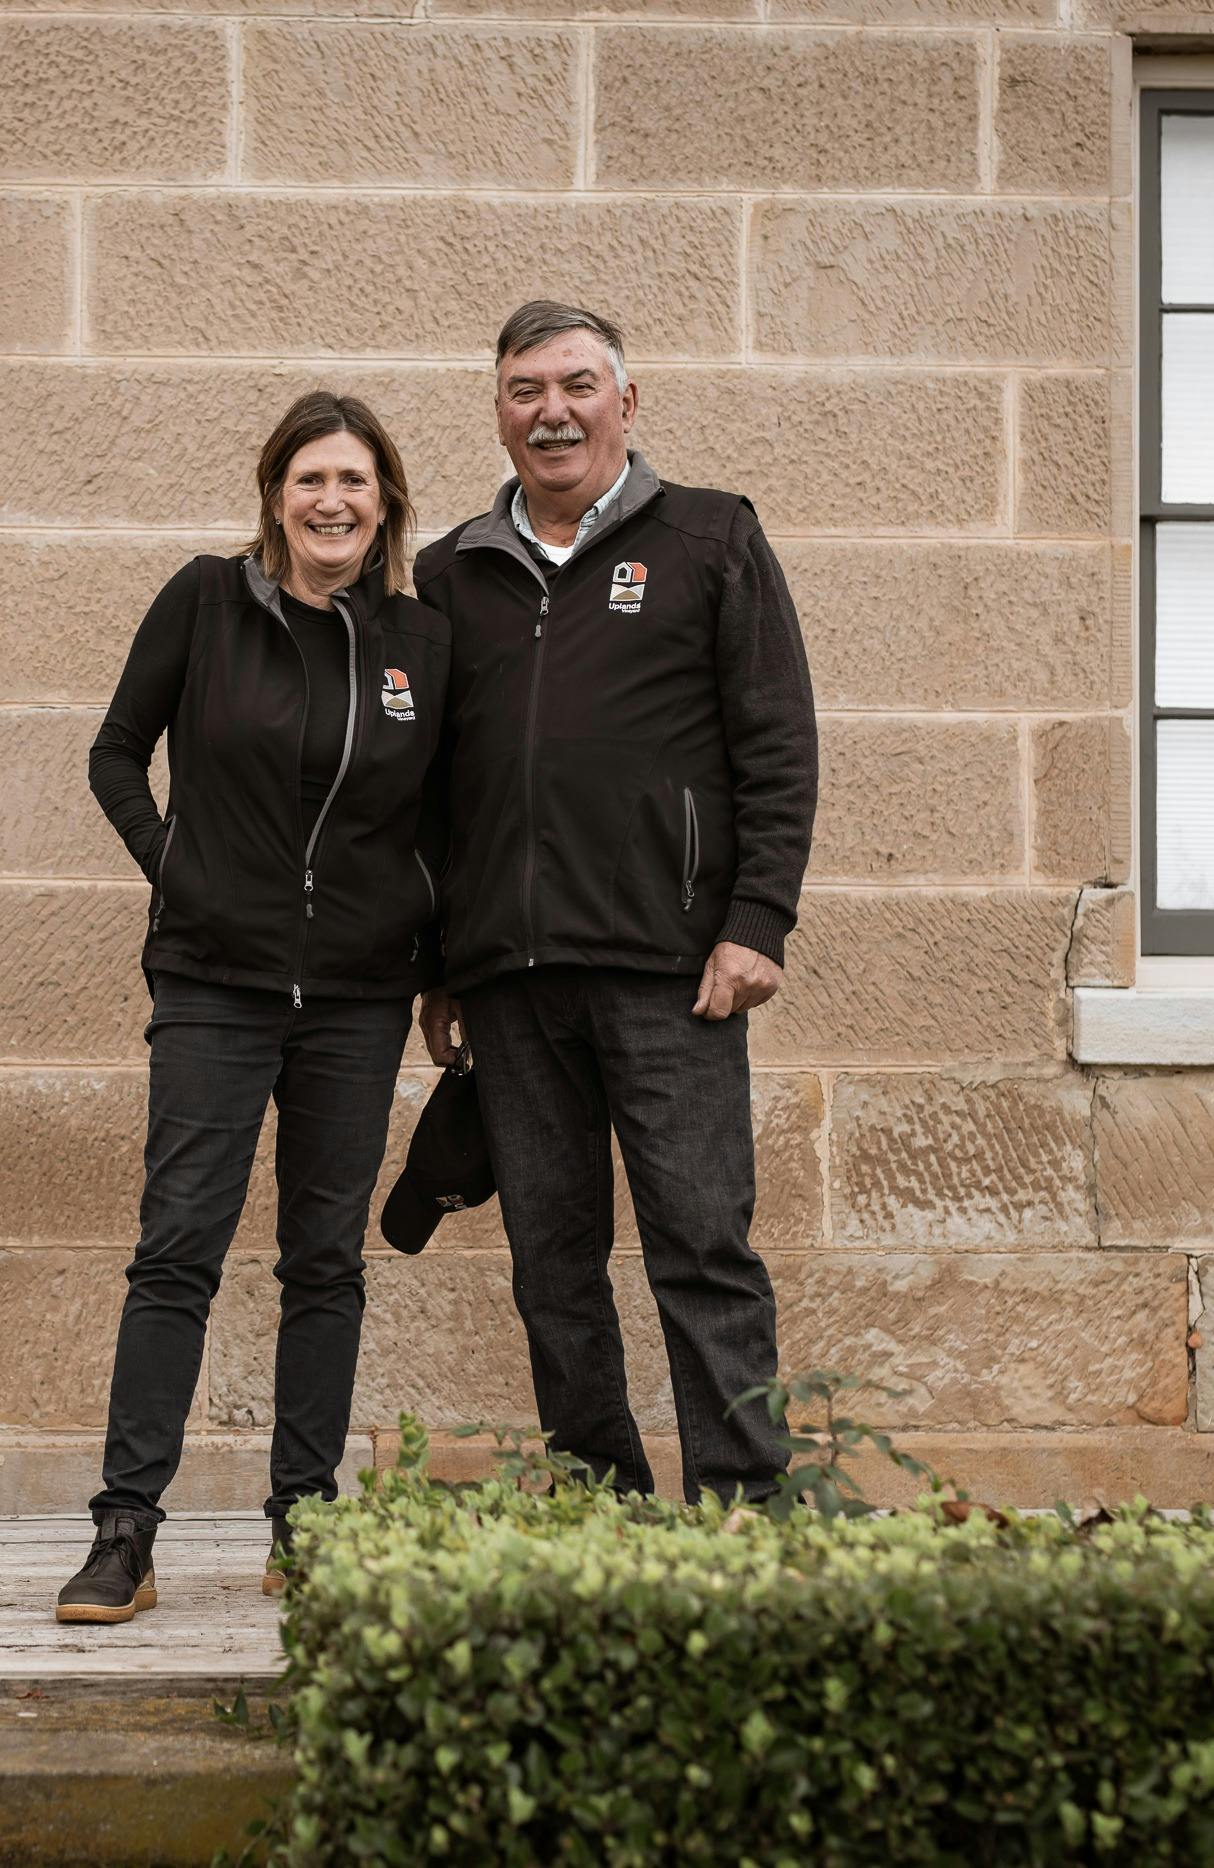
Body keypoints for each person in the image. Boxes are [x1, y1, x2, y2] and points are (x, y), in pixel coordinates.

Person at [414, 300, 819, 1505]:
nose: (553, 411)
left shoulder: (710, 538)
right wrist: (441, 961)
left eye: (577, 385)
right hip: (511, 981)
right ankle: (601, 1500)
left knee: (703, 1246)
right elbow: (436, 789)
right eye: (526, 390)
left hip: (672, 973)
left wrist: (757, 921)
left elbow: (778, 743)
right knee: (551, 1262)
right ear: (498, 411)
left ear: (625, 404)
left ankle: (747, 1506)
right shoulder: (450, 573)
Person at [57, 392, 450, 1623]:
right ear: (274, 492)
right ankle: (125, 1530)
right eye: (309, 478)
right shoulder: (203, 602)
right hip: (214, 983)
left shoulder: (417, 643)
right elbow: (115, 752)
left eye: (355, 480)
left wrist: (431, 953)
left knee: (323, 1260)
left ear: (384, 500)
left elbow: (446, 813)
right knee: (176, 1251)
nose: (332, 501)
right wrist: (179, 871)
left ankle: (306, 1520)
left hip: (357, 993)